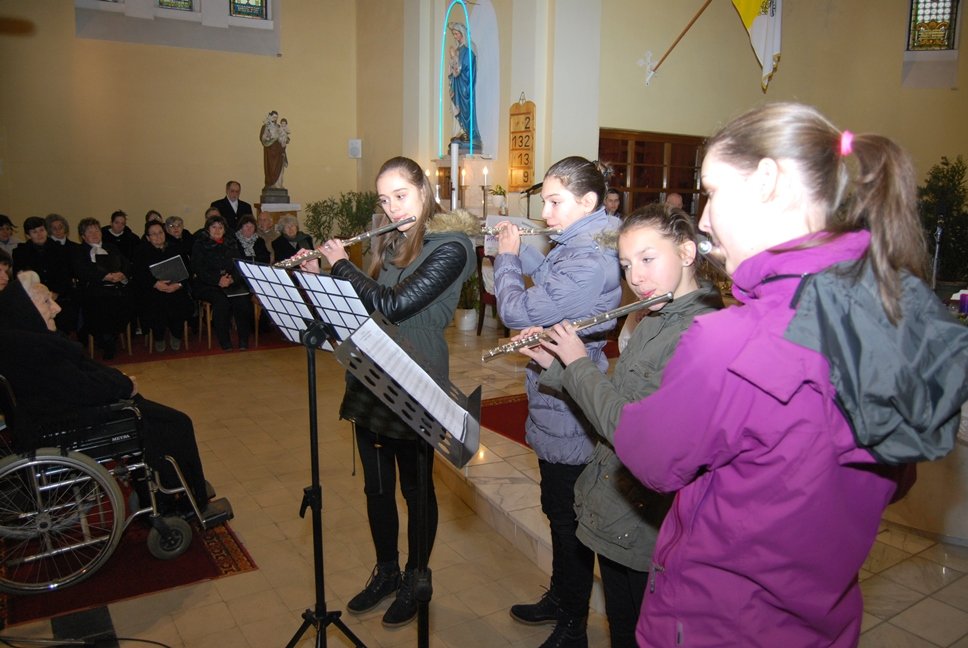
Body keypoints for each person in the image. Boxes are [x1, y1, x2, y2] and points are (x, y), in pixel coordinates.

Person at [612, 102, 964, 647]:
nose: (703, 219)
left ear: (766, 181)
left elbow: (649, 458)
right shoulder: (897, 316)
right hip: (820, 620)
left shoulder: (729, 342)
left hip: (717, 623)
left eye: (713, 192)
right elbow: (894, 480)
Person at [513, 203, 723, 648]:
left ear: (687, 252)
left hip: (648, 523)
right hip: (618, 510)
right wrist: (555, 363)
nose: (636, 277)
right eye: (627, 265)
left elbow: (631, 431)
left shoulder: (698, 333)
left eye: (648, 259)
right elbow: (618, 397)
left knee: (638, 633)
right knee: (622, 627)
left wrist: (576, 363)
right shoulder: (656, 316)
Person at [298, 156, 475, 628]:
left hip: (415, 376)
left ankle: (417, 578)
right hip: (370, 371)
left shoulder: (452, 246)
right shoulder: (392, 240)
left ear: (424, 191)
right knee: (376, 486)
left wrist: (341, 264)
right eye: (385, 199)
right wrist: (319, 278)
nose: (393, 208)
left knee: (415, 489)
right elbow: (364, 308)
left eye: (401, 195)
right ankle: (387, 571)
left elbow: (394, 305)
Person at [494, 156, 622, 647]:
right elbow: (550, 275)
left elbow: (515, 309)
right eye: (544, 201)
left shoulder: (590, 258)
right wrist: (520, 247)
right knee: (555, 506)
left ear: (587, 202)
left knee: (569, 518)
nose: (545, 213)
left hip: (571, 391)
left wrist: (507, 257)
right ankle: (561, 597)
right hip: (555, 383)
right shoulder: (582, 242)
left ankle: (574, 624)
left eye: (554, 202)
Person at [0, 274, 225, 519]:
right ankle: (179, 500)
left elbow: (81, 373)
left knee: (152, 413)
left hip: (63, 411)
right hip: (67, 422)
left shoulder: (23, 339)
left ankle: (168, 491)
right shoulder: (33, 348)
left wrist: (118, 380)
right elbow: (81, 387)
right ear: (25, 310)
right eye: (46, 302)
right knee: (176, 422)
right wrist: (123, 385)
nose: (57, 308)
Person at [72, 217, 132, 360]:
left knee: (125, 301)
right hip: (95, 290)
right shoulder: (79, 251)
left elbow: (126, 264)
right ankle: (106, 339)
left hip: (117, 288)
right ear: (83, 236)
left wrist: (122, 274)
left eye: (97, 230)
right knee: (101, 304)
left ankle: (111, 336)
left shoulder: (111, 247)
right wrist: (104, 276)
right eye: (90, 232)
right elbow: (82, 271)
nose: (94, 234)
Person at [191, 214, 252, 351]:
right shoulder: (200, 244)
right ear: (208, 229)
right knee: (221, 302)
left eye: (220, 227)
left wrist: (232, 279)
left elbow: (239, 264)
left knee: (242, 300)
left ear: (225, 230)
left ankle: (243, 339)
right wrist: (217, 280)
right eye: (214, 227)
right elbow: (198, 269)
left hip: (230, 281)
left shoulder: (231, 242)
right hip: (208, 284)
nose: (217, 230)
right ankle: (225, 340)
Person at [133, 221, 193, 352]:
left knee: (180, 301)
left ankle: (176, 334)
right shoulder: (141, 252)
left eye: (160, 232)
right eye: (153, 234)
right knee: (154, 303)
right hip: (154, 289)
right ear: (148, 237)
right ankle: (158, 337)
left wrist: (178, 285)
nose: (158, 236)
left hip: (176, 287)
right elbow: (139, 274)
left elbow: (188, 270)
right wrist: (155, 284)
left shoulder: (176, 248)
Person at [12, 216, 76, 334]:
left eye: (41, 230)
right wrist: (40, 296)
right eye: (34, 232)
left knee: (63, 325)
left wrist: (55, 293)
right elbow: (20, 278)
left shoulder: (60, 249)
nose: (39, 234)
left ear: (46, 231)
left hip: (59, 296)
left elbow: (66, 275)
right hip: (34, 299)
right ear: (28, 235)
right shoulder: (20, 252)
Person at [447, 22, 482, 150]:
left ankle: (468, 133)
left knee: (466, 108)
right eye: (454, 34)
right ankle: (459, 132)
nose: (455, 37)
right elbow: (452, 70)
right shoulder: (458, 50)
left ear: (462, 33)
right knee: (457, 108)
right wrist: (453, 62)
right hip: (457, 85)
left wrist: (458, 65)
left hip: (465, 85)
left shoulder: (469, 48)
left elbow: (468, 67)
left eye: (456, 34)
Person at [260, 112, 287, 189]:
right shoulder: (265, 126)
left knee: (280, 168)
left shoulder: (279, 127)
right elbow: (263, 139)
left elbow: (283, 137)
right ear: (270, 117)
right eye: (274, 117)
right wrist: (269, 137)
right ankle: (271, 184)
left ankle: (278, 185)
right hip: (270, 152)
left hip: (279, 151)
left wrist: (284, 139)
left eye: (276, 117)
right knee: (271, 168)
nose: (275, 119)